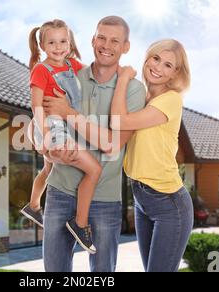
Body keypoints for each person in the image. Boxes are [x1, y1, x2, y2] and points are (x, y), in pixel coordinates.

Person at [41, 16, 145, 272]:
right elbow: (45, 120)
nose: (106, 45)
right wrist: (46, 145)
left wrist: (70, 113)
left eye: (114, 41)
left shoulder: (133, 90)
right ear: (92, 40)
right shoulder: (69, 76)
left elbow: (112, 143)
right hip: (60, 191)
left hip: (105, 198)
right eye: (101, 37)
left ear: (126, 47)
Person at [110, 39, 193, 272]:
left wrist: (124, 79)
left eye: (168, 65)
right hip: (141, 197)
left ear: (175, 73)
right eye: (156, 58)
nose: (158, 67)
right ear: (147, 58)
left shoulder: (171, 100)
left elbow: (119, 121)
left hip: (169, 202)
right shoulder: (141, 98)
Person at [20, 19, 102, 254]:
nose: (58, 47)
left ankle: (34, 205)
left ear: (70, 42)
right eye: (52, 42)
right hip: (50, 125)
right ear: (42, 45)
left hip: (65, 123)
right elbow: (36, 105)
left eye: (63, 41)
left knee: (48, 171)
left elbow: (94, 75)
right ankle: (80, 223)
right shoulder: (41, 69)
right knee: (94, 169)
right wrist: (44, 136)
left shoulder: (72, 65)